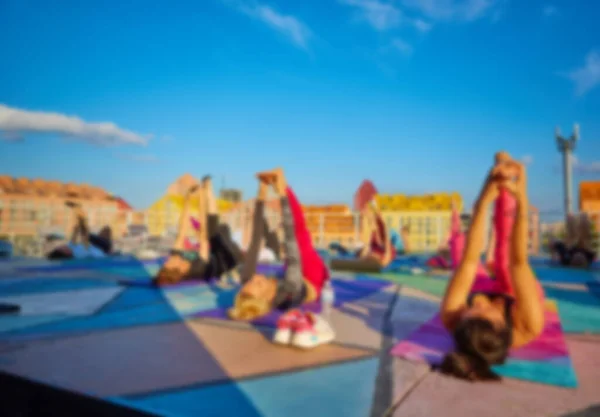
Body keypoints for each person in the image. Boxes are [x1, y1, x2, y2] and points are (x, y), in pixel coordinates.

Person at [438, 152, 545, 381]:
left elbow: (468, 259)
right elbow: (520, 262)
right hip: (516, 293)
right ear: (501, 324)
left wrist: (483, 199)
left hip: (485, 285)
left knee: (459, 253)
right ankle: (507, 183)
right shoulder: (528, 325)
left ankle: (501, 176)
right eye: (484, 310)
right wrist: (522, 197)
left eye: (469, 311)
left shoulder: (452, 317)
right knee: (505, 261)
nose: (476, 305)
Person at [228, 168, 334, 348]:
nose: (255, 277)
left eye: (251, 281)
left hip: (293, 272)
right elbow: (290, 234)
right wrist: (281, 192)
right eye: (258, 283)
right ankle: (283, 182)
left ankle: (280, 184)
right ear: (267, 297)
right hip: (313, 278)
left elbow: (255, 241)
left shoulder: (251, 285)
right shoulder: (289, 288)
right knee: (298, 236)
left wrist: (261, 194)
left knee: (290, 247)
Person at [153, 176, 243, 286]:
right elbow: (203, 233)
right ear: (179, 270)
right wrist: (201, 197)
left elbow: (182, 231)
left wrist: (188, 199)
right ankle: (209, 189)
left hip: (215, 250)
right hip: (228, 258)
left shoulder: (175, 258)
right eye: (168, 264)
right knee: (214, 230)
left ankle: (208, 189)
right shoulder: (198, 268)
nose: (166, 261)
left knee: (218, 229)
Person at [329, 201, 394, 268]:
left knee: (378, 234)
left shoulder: (383, 259)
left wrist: (373, 217)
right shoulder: (375, 255)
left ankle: (374, 217)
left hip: (379, 248)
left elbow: (385, 236)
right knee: (375, 236)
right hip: (377, 248)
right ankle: (374, 217)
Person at [46, 202, 113, 260]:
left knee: (86, 230)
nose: (61, 246)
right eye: (61, 248)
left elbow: (74, 237)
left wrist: (77, 228)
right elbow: (87, 245)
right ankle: (79, 210)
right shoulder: (79, 254)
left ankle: (78, 211)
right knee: (106, 229)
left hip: (95, 244)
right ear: (66, 252)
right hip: (101, 248)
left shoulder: (70, 247)